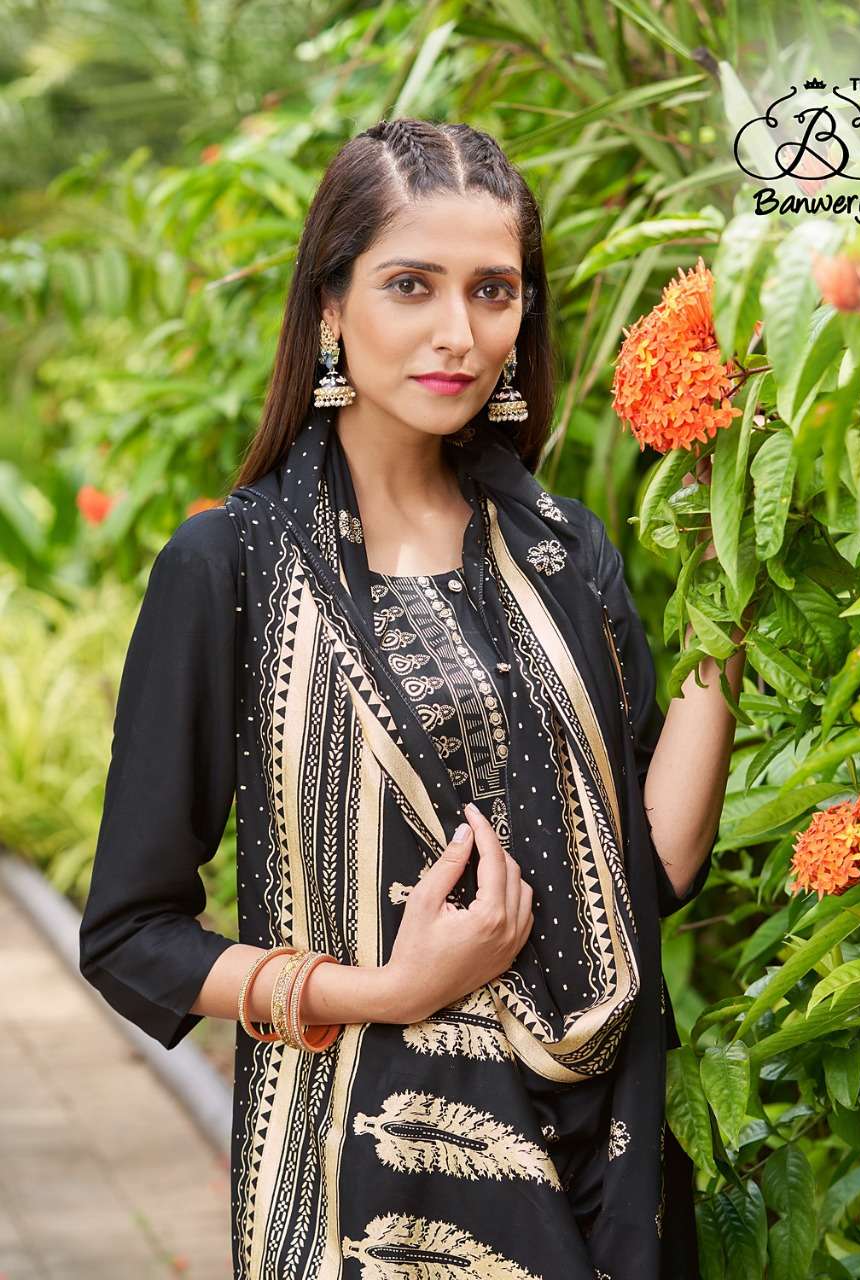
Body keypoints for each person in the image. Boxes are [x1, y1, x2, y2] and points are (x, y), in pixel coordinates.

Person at [79, 117, 742, 1279]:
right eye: (410, 285)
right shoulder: (231, 568)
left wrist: (732, 563)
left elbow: (654, 865)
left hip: (605, 1159)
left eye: (493, 290)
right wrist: (388, 988)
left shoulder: (559, 549)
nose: (458, 333)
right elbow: (132, 936)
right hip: (377, 1183)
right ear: (330, 307)